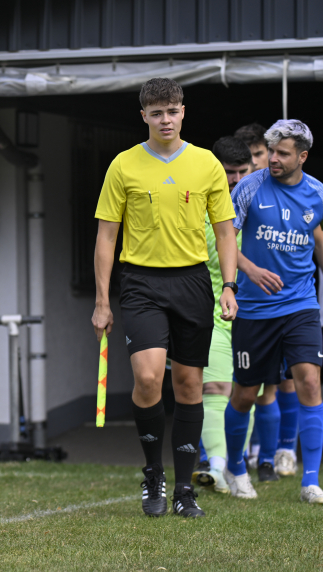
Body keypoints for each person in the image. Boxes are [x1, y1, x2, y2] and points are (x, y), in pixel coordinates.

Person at [93, 78, 239, 518]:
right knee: (149, 378)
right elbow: (106, 235)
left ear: (182, 111)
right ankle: (153, 475)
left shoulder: (207, 164)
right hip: (140, 283)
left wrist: (229, 286)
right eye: (156, 113)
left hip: (193, 283)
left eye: (172, 110)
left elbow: (225, 231)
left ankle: (183, 489)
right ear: (144, 117)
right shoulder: (123, 165)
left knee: (190, 384)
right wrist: (102, 300)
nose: (165, 119)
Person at [224, 119, 323, 503]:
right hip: (254, 308)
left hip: (300, 303)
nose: (273, 160)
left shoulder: (316, 193)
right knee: (246, 393)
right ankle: (235, 467)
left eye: (283, 153)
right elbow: (227, 236)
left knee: (309, 382)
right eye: (271, 152)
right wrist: (247, 272)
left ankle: (310, 480)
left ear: (302, 156)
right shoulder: (250, 186)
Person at [192, 136, 251, 493]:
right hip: (208, 308)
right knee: (214, 387)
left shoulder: (260, 200)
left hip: (253, 310)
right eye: (229, 172)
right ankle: (215, 467)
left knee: (246, 392)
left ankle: (235, 465)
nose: (235, 179)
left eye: (242, 172)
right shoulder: (198, 201)